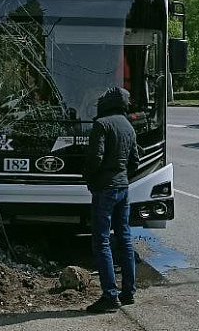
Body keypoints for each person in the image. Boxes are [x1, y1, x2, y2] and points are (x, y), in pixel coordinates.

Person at [83, 87, 139, 313]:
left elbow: (95, 157)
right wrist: (121, 175)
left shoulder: (102, 124)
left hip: (105, 188)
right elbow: (135, 161)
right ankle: (129, 292)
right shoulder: (128, 126)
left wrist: (88, 178)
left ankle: (109, 295)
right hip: (122, 188)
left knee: (102, 241)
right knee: (124, 239)